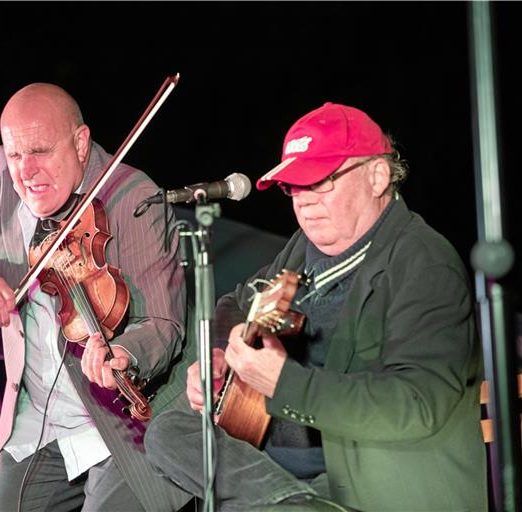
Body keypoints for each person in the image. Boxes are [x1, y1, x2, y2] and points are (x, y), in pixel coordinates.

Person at [144, 102, 487, 511]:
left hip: (363, 481)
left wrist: (283, 383)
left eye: (320, 182)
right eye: (294, 186)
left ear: (377, 177)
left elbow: (415, 405)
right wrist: (221, 356)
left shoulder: (424, 263)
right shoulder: (303, 249)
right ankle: (290, 504)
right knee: (169, 432)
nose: (303, 202)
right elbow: (236, 302)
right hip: (276, 471)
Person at [0, 83, 191, 511]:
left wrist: (124, 352)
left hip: (124, 419)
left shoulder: (132, 196)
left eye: (41, 151)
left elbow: (163, 323)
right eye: (15, 155)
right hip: (39, 418)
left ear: (81, 143)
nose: (26, 171)